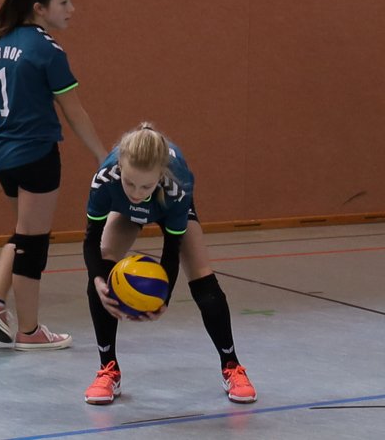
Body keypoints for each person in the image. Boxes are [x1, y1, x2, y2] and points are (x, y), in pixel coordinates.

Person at [0, 0, 107, 351]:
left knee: (23, 232)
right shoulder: (47, 49)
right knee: (33, 244)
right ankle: (29, 330)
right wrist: (103, 155)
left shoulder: (0, 45)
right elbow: (74, 110)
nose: (71, 9)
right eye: (63, 2)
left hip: (3, 154)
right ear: (39, 8)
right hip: (36, 153)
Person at [82, 122, 257, 405]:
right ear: (120, 168)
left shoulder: (178, 186)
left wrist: (163, 299)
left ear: (161, 175)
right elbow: (91, 240)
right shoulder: (105, 179)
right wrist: (99, 280)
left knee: (203, 277)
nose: (137, 192)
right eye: (129, 182)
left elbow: (171, 249)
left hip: (166, 207)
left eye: (146, 185)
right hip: (124, 213)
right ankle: (108, 369)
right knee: (100, 272)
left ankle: (232, 365)